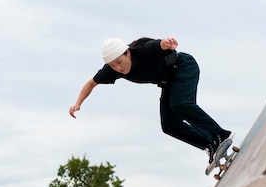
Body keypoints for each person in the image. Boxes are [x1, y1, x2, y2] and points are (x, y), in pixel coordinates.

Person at [69, 37, 232, 164]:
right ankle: (211, 145)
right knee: (169, 126)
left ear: (128, 52)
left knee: (180, 104)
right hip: (167, 82)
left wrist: (167, 43)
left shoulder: (142, 50)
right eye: (113, 66)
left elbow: (158, 45)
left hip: (183, 66)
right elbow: (91, 83)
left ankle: (220, 134)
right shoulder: (112, 70)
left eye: (119, 62)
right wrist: (78, 103)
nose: (118, 68)